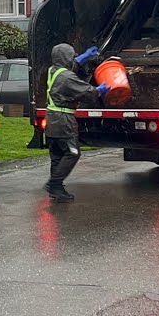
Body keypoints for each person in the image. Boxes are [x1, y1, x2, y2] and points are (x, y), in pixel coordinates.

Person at [44, 43, 110, 202]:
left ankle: (57, 190)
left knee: (57, 154)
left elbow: (70, 67)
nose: (73, 58)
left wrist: (84, 57)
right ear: (66, 58)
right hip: (63, 121)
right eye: (72, 56)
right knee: (72, 153)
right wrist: (100, 90)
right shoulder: (67, 78)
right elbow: (87, 92)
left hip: (52, 119)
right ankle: (54, 184)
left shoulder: (53, 70)